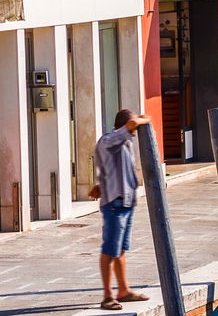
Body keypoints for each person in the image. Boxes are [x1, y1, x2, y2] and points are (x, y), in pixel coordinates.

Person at [96, 110, 153, 311]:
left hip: (126, 202)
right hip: (115, 204)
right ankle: (107, 296)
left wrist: (100, 184)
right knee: (109, 250)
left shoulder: (125, 143)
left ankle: (123, 290)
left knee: (120, 250)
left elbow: (110, 169)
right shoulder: (109, 140)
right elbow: (130, 126)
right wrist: (143, 119)